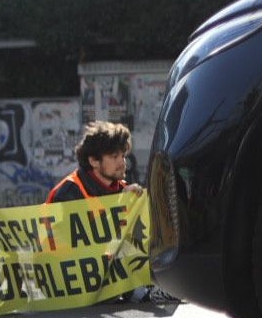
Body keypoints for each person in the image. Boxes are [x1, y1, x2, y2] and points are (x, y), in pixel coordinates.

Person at [47, 120, 176, 304]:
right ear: (93, 161)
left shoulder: (121, 188)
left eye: (123, 155)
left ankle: (147, 286)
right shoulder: (69, 191)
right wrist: (116, 208)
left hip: (98, 277)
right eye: (114, 156)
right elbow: (72, 243)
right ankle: (138, 291)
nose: (122, 162)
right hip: (65, 279)